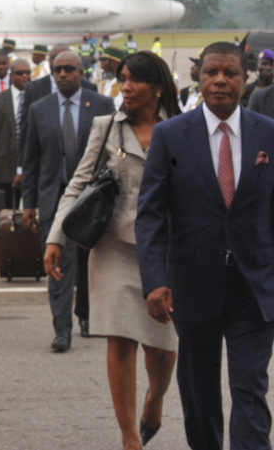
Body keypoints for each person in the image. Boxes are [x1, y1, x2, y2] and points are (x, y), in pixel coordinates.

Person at [137, 41, 274, 450]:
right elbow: (151, 215)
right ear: (197, 77)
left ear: (244, 78)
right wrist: (155, 280)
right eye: (212, 72)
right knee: (199, 391)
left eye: (230, 73)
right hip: (192, 284)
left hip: (255, 286)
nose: (220, 81)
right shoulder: (170, 136)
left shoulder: (268, 134)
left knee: (250, 386)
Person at [46, 51, 179, 449]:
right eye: (122, 79)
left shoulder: (182, 129)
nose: (126, 86)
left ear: (158, 86)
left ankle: (155, 399)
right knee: (119, 339)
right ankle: (128, 436)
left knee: (163, 345)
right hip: (114, 248)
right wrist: (56, 236)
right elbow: (78, 183)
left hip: (166, 254)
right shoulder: (106, 127)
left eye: (136, 80)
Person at [22, 49, 114, 352]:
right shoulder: (39, 108)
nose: (63, 74)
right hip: (53, 198)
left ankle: (87, 317)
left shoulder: (101, 104)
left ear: (81, 72)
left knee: (89, 264)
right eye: (58, 69)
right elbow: (31, 160)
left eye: (69, 69)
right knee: (58, 263)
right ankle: (61, 330)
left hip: (92, 199)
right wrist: (29, 204)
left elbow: (112, 154)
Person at [0, 59, 29, 209]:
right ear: (11, 75)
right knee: (7, 213)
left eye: (27, 73)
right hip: (5, 167)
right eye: (20, 73)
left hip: (31, 167)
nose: (24, 76)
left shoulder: (38, 99)